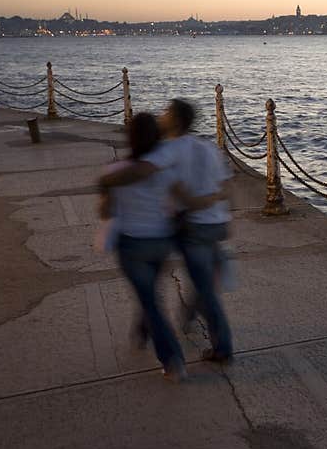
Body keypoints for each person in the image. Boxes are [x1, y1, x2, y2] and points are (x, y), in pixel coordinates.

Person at [99, 100, 234, 366]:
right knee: (200, 281)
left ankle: (222, 348)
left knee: (198, 288)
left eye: (165, 112)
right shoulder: (208, 147)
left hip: (190, 226)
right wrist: (217, 204)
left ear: (175, 120)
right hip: (216, 223)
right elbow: (228, 186)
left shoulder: (167, 150)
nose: (161, 115)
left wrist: (105, 181)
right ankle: (171, 320)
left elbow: (142, 171)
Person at [100, 112, 188, 382]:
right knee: (149, 295)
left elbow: (105, 212)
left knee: (150, 301)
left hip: (132, 244)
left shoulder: (115, 172)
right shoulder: (166, 169)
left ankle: (172, 360)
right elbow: (179, 201)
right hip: (161, 241)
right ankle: (142, 331)